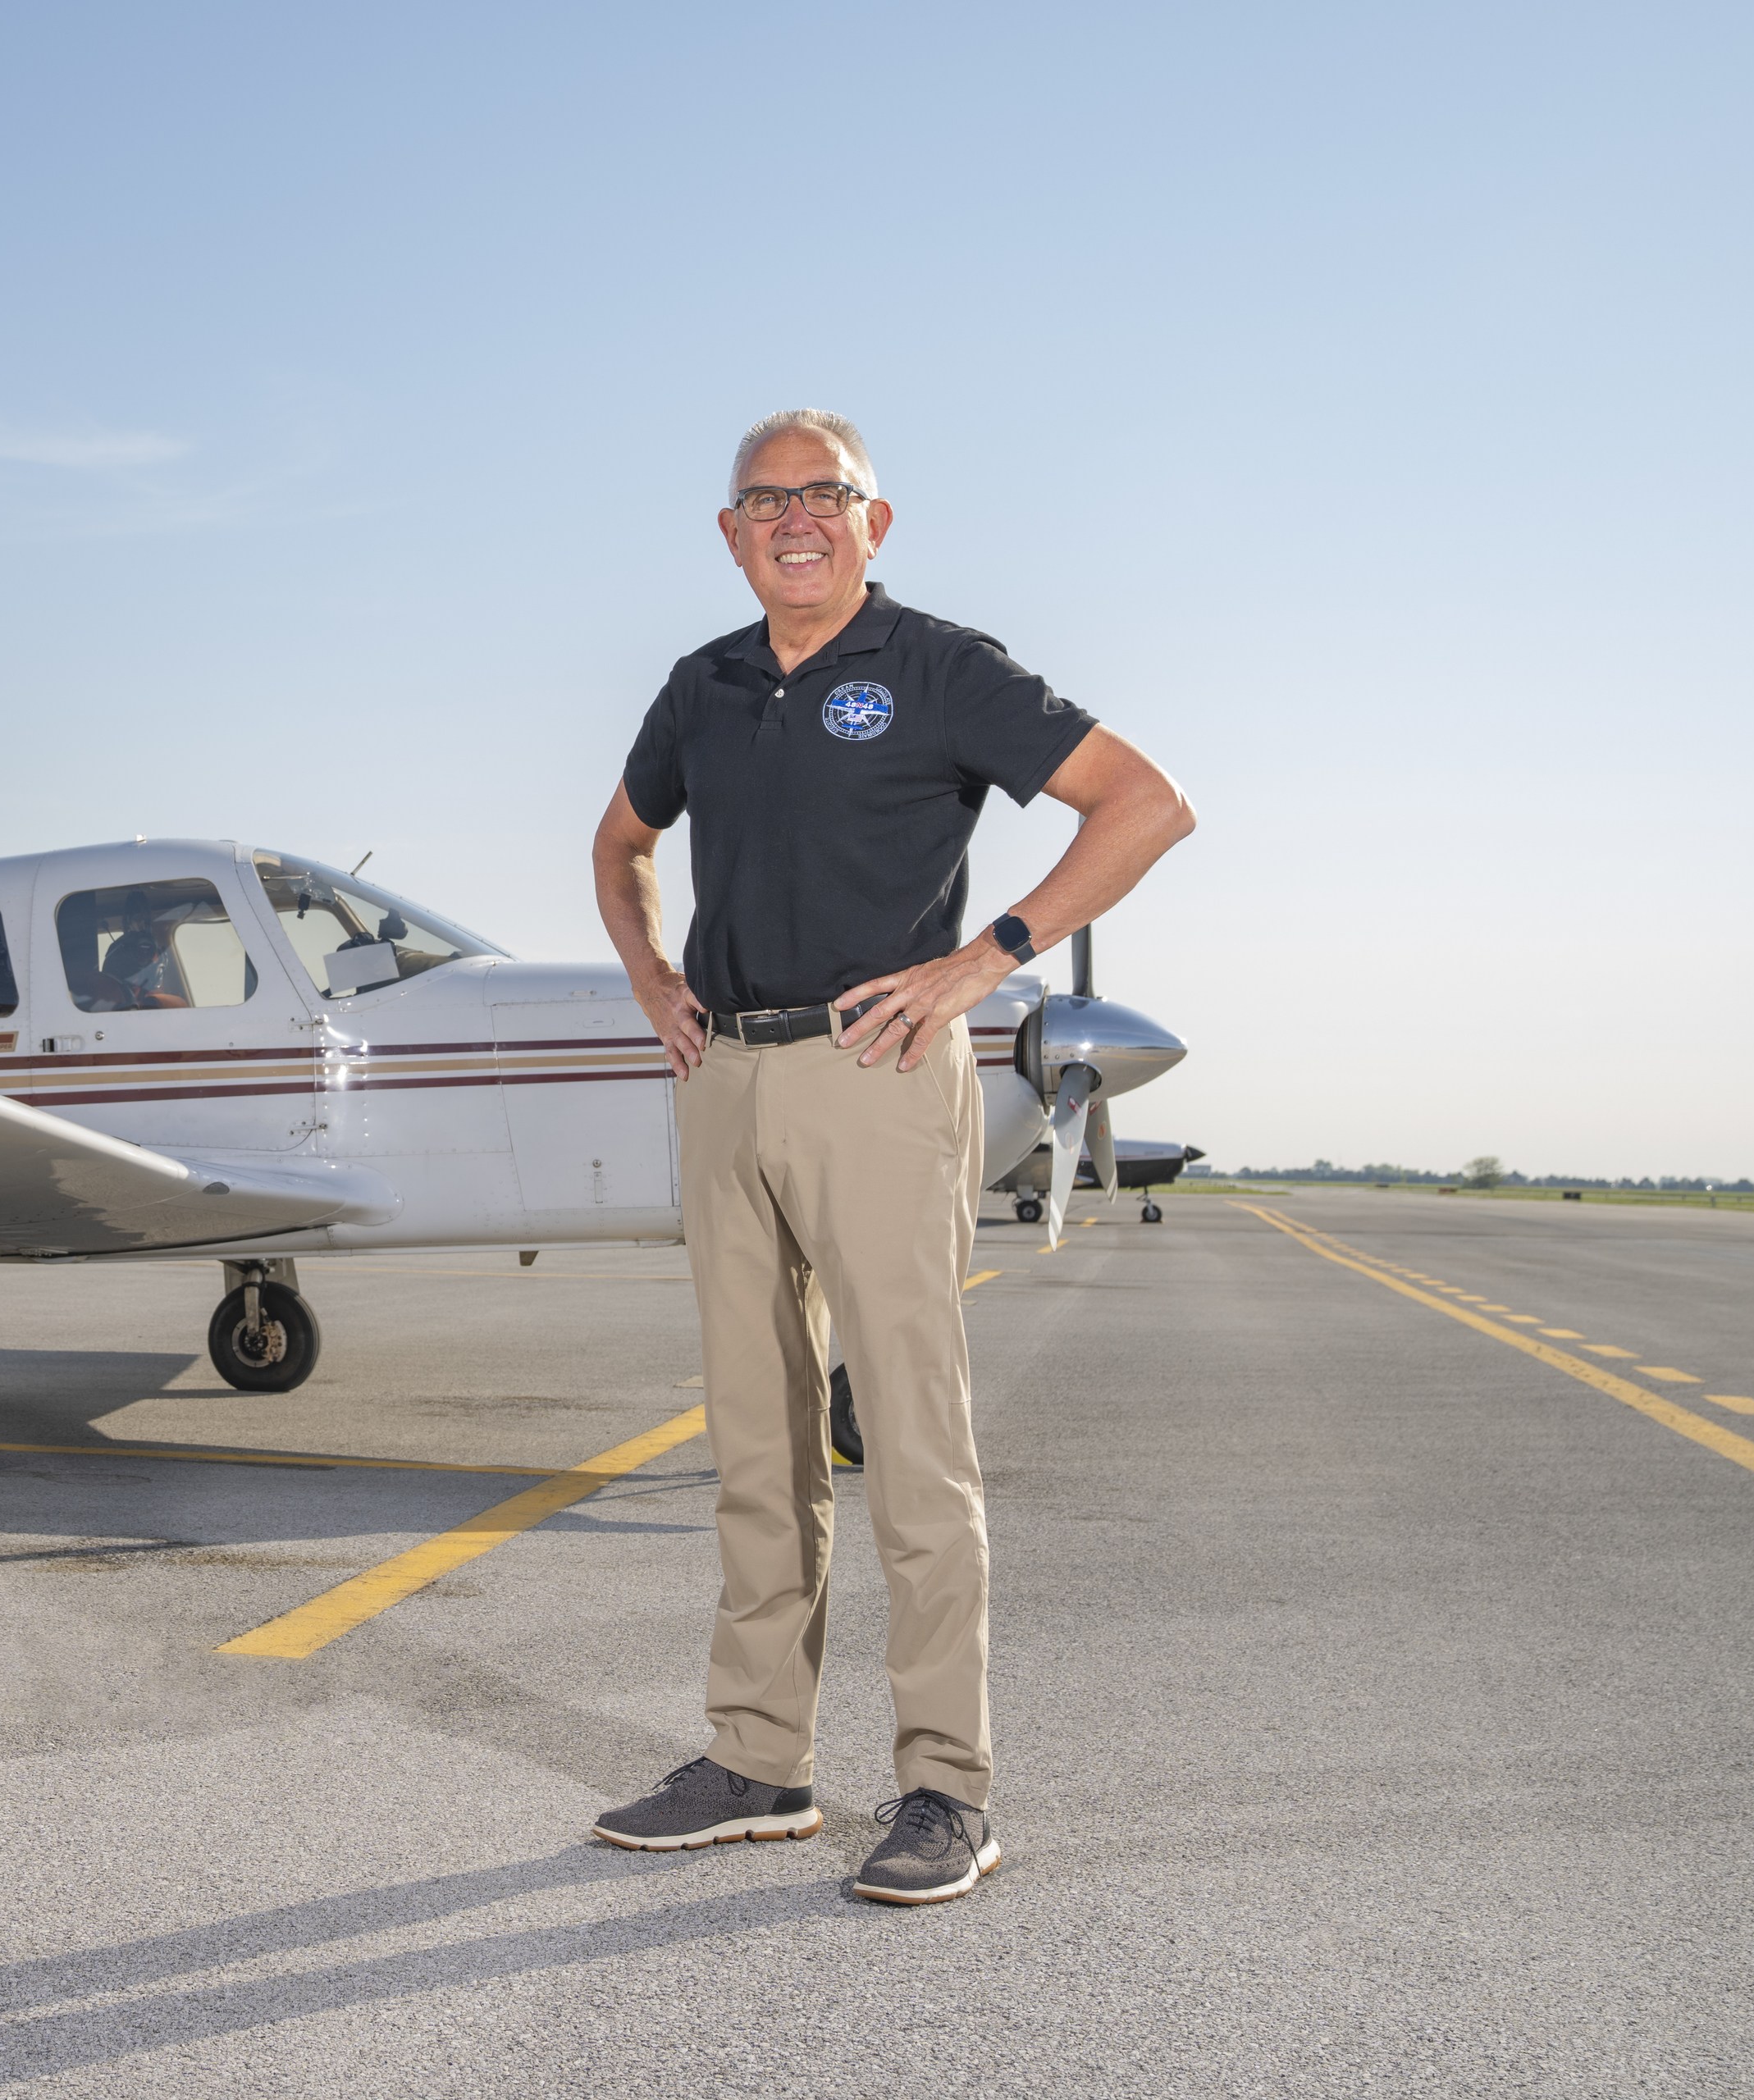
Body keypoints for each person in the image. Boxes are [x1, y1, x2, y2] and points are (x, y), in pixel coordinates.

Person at [587, 410, 1194, 1903]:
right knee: (757, 1442)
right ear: (730, 534)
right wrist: (651, 976)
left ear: (876, 521)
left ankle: (944, 1791)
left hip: (877, 1072)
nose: (795, 518)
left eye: (824, 495)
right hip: (723, 1073)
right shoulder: (704, 685)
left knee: (912, 1445)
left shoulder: (940, 668)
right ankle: (756, 1763)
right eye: (765, 500)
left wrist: (982, 963)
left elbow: (1147, 804)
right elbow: (619, 843)